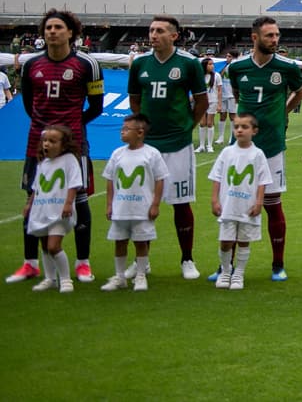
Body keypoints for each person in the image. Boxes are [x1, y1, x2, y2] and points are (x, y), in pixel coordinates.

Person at [9, 9, 102, 286]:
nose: (52, 31)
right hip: (37, 141)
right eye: (48, 27)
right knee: (33, 199)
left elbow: (96, 106)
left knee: (81, 200)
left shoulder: (87, 64)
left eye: (58, 27)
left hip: (74, 143)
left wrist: (71, 127)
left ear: (71, 32)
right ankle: (31, 264)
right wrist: (45, 129)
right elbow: (28, 104)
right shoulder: (31, 65)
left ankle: (83, 264)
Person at [127, 15, 209, 281]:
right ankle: (142, 261)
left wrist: (187, 127)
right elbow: (135, 101)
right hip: (148, 144)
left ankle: (187, 259)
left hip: (178, 143)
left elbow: (201, 102)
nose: (153, 35)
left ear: (174, 36)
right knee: (141, 203)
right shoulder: (139, 63)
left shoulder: (188, 64)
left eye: (160, 31)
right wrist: (143, 130)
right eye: (151, 30)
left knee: (180, 202)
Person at [227, 16, 302, 281]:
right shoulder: (237, 68)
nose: (275, 40)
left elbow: (300, 89)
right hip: (240, 147)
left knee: (273, 204)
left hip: (272, 145)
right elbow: (238, 95)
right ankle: (226, 267)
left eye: (277, 35)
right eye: (270, 36)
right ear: (254, 38)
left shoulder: (287, 67)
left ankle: (278, 264)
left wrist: (281, 112)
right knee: (234, 205)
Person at [99, 115, 167, 293]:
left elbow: (160, 180)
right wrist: (109, 205)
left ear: (140, 132)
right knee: (119, 241)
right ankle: (120, 276)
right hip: (120, 208)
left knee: (141, 242)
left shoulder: (151, 154)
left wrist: (155, 204)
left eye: (127, 129)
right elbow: (110, 180)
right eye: (122, 128)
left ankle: (140, 275)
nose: (122, 131)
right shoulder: (117, 154)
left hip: (142, 208)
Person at [209, 114, 270, 291]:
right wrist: (214, 199)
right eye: (236, 127)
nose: (240, 130)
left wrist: (259, 202)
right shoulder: (227, 153)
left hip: (248, 207)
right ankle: (226, 271)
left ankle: (239, 274)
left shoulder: (257, 154)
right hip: (228, 206)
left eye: (244, 127)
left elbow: (262, 180)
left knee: (244, 240)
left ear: (254, 131)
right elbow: (217, 177)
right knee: (225, 241)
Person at [25, 125, 83, 293]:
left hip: (59, 212)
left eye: (52, 141)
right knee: (44, 245)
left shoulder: (69, 160)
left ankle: (65, 279)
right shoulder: (42, 163)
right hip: (42, 210)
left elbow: (74, 183)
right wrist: (29, 204)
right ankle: (50, 278)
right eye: (45, 141)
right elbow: (37, 187)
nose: (47, 144)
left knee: (53, 246)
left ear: (63, 145)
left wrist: (68, 203)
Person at [197, 57, 222, 153]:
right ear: (204, 66)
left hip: (213, 101)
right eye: (209, 64)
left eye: (212, 64)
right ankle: (201, 146)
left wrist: (219, 104)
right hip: (202, 102)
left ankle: (210, 145)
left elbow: (219, 91)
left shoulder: (217, 75)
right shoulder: (199, 76)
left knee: (209, 123)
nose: (212, 66)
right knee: (202, 123)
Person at [216, 52, 238, 145]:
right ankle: (221, 137)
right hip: (224, 94)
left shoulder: (235, 66)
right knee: (222, 115)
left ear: (234, 58)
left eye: (229, 56)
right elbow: (219, 75)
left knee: (233, 116)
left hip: (232, 95)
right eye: (227, 56)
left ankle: (231, 137)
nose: (227, 58)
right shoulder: (224, 66)